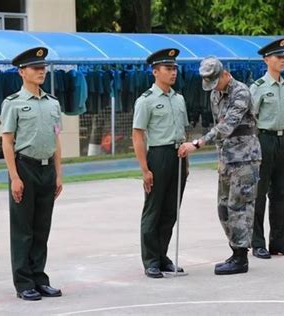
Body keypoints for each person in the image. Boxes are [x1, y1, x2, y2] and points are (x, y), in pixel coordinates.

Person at [179, 57, 261, 275]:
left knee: (239, 207)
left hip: (245, 157)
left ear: (225, 74)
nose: (214, 87)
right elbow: (219, 128)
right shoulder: (215, 94)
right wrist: (220, 158)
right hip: (227, 157)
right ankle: (235, 250)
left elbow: (227, 126)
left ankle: (241, 258)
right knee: (223, 208)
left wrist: (198, 143)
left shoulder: (241, 92)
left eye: (216, 81)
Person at [0, 47, 63, 300]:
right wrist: (14, 177)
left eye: (43, 67)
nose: (41, 71)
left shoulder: (53, 104)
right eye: (35, 68)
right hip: (24, 167)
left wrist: (59, 174)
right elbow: (7, 142)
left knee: (41, 228)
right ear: (21, 72)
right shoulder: (12, 103)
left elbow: (57, 141)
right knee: (23, 228)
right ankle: (23, 282)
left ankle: (39, 278)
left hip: (47, 169)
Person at [132, 48, 189, 278]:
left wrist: (187, 162)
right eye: (168, 68)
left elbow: (184, 131)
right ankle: (151, 260)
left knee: (170, 210)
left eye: (174, 68)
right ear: (155, 72)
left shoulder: (179, 98)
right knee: (153, 210)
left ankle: (163, 255)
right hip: (159, 155)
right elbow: (138, 136)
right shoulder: (146, 100)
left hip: (178, 156)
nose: (173, 72)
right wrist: (145, 169)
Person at [249, 39, 284, 259]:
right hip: (263, 140)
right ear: (266, 60)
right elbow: (250, 120)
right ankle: (257, 242)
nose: (283, 60)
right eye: (278, 57)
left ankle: (279, 241)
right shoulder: (258, 88)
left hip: (280, 141)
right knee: (259, 194)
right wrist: (251, 150)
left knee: (281, 192)